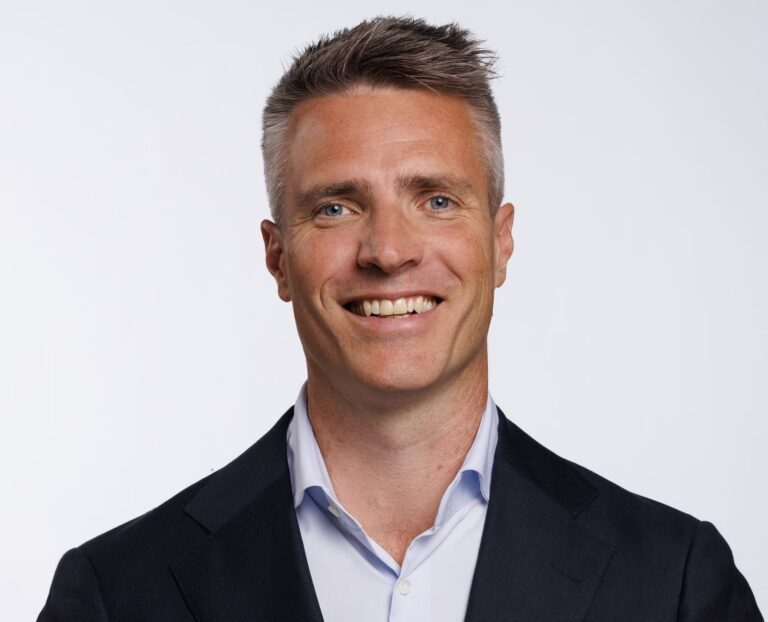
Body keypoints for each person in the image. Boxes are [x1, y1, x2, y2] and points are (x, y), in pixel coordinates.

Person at [38, 16, 762, 622]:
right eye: (336, 207)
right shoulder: (114, 595)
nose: (388, 251)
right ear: (278, 257)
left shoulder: (674, 582)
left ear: (501, 242)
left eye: (437, 201)